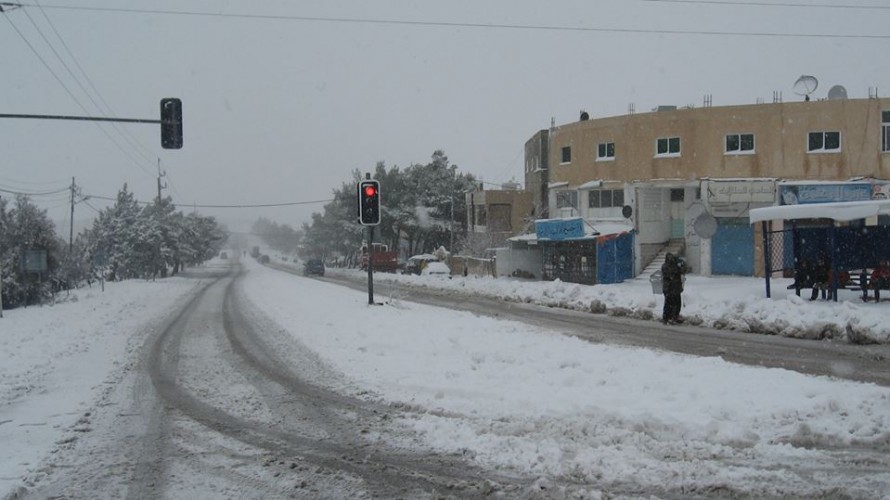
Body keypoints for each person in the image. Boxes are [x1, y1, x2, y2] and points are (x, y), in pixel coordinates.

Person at [661, 253, 688, 324]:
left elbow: (683, 271)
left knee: (675, 304)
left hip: (674, 288)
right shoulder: (666, 266)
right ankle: (669, 317)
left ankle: (672, 317)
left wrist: (682, 265)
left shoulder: (673, 266)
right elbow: (670, 274)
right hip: (670, 288)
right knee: (671, 304)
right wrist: (678, 267)